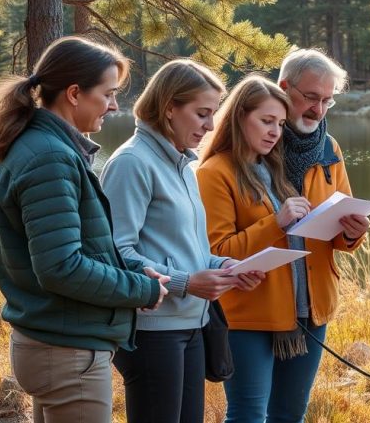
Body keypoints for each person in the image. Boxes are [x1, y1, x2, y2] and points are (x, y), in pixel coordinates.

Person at [0, 36, 169, 423]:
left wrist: (132, 271)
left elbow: (76, 248)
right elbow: (60, 266)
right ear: (73, 94)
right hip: (66, 351)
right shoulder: (50, 156)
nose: (115, 105)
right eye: (108, 94)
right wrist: (142, 289)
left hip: (53, 342)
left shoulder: (43, 146)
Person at [197, 63, 367, 423]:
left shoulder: (321, 150)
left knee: (290, 415)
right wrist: (276, 223)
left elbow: (335, 223)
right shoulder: (222, 170)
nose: (317, 110)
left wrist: (352, 232)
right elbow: (216, 252)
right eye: (310, 97)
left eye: (327, 101)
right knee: (247, 415)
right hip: (251, 311)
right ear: (286, 88)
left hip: (310, 306)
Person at [99, 60, 264, 423]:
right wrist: (187, 283)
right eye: (202, 113)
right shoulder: (132, 162)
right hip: (152, 332)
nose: (210, 125)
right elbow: (115, 255)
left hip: (191, 325)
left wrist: (226, 267)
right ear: (170, 107)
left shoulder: (184, 166)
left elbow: (192, 251)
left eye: (213, 114)